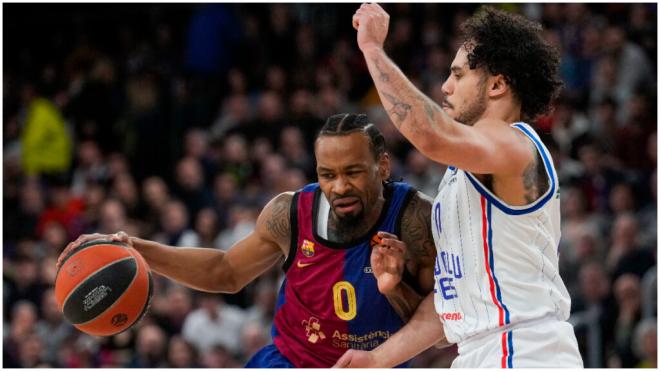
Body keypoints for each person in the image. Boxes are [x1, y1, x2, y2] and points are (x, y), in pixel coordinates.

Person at [57, 113, 437, 368]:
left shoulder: (416, 220)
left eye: (353, 172)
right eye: (327, 174)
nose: (339, 187)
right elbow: (225, 272)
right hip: (288, 361)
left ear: (382, 166)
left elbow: (438, 326)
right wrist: (136, 249)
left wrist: (393, 290)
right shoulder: (289, 213)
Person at [335, 4, 583, 368]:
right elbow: (450, 306)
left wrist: (372, 48)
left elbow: (429, 135)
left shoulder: (514, 146)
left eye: (458, 74)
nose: (445, 86)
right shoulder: (461, 176)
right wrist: (377, 359)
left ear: (497, 85)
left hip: (526, 348)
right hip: (479, 351)